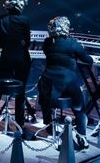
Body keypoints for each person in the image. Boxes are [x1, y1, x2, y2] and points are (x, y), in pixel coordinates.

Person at [38, 16, 93, 149]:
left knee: (44, 94)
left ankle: (49, 125)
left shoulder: (47, 42)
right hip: (68, 84)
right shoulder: (73, 43)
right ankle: (82, 135)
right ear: (66, 28)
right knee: (80, 107)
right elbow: (88, 60)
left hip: (49, 84)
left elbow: (50, 53)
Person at [0, 0, 33, 131]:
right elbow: (27, 42)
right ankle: (19, 123)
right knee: (20, 91)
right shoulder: (25, 20)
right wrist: (20, 43)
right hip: (22, 57)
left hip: (6, 57)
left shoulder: (1, 19)